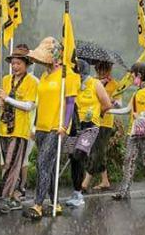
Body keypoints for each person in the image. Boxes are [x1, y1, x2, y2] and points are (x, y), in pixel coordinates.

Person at [23, 37, 78, 220]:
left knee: (42, 164)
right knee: (50, 166)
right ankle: (56, 203)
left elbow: (70, 102)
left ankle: (37, 205)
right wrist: (34, 125)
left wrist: (65, 125)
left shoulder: (67, 75)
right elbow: (40, 103)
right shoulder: (44, 76)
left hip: (57, 128)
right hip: (41, 127)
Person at [62, 60, 114, 208]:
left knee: (79, 154)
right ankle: (76, 192)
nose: (78, 76)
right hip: (74, 126)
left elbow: (107, 104)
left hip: (90, 126)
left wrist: (97, 114)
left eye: (80, 73)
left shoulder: (94, 83)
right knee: (72, 157)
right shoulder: (71, 84)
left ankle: (80, 192)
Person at [0, 44, 37, 214]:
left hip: (20, 129)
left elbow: (28, 106)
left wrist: (9, 100)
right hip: (4, 127)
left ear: (26, 64)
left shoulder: (32, 82)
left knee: (12, 163)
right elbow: (0, 101)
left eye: (18, 63)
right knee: (10, 163)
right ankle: (16, 195)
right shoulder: (6, 79)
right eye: (13, 63)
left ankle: (6, 196)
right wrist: (1, 100)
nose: (15, 66)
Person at [114, 62, 145, 201]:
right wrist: (108, 110)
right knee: (129, 159)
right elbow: (128, 110)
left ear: (139, 75)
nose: (132, 79)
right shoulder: (136, 93)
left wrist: (143, 114)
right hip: (133, 132)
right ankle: (124, 191)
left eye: (133, 76)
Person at [82, 59, 123, 192]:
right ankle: (105, 180)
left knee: (97, 151)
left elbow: (119, 103)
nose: (103, 72)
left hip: (105, 122)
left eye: (106, 69)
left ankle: (85, 182)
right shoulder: (92, 82)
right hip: (93, 119)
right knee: (98, 151)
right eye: (101, 69)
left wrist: (112, 101)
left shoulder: (114, 84)